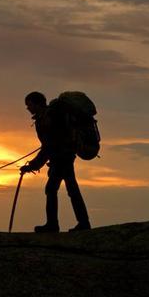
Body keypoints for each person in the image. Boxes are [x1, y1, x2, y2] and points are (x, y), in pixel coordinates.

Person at [20, 91, 91, 233]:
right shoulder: (47, 117)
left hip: (61, 157)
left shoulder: (48, 118)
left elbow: (49, 146)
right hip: (63, 156)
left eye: (29, 105)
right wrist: (34, 165)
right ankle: (80, 223)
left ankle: (56, 225)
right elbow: (49, 146)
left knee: (55, 189)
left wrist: (32, 166)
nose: (28, 108)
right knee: (67, 189)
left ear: (37, 103)